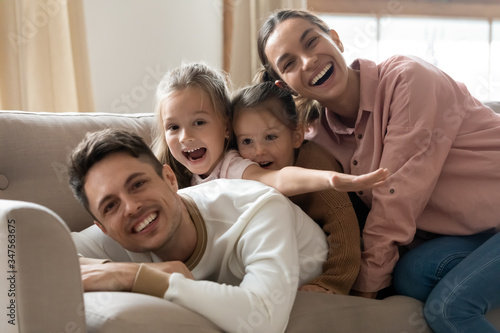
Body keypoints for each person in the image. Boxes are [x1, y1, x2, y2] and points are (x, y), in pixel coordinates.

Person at [256, 8, 500, 332]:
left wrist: (363, 293)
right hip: (482, 232)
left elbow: (397, 195)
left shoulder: (407, 78)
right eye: (289, 63)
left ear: (336, 39)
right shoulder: (319, 142)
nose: (308, 61)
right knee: (411, 275)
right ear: (286, 86)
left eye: (311, 42)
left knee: (448, 309)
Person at [68, 128, 329, 333]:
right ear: (102, 228)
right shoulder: (114, 239)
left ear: (170, 180)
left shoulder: (256, 206)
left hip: (325, 303)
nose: (131, 207)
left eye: (137, 184)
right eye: (111, 205)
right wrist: (125, 271)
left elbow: (261, 320)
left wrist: (138, 278)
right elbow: (32, 260)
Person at [150, 62, 388, 195]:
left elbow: (278, 179)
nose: (186, 136)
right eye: (173, 127)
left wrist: (330, 179)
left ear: (225, 127)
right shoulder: (178, 176)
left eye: (199, 122)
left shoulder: (231, 167)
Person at [231, 80, 361, 295]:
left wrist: (332, 282)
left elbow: (344, 225)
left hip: (348, 250)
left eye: (271, 137)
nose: (259, 151)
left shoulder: (315, 166)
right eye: (247, 141)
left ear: (297, 136)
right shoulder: (244, 168)